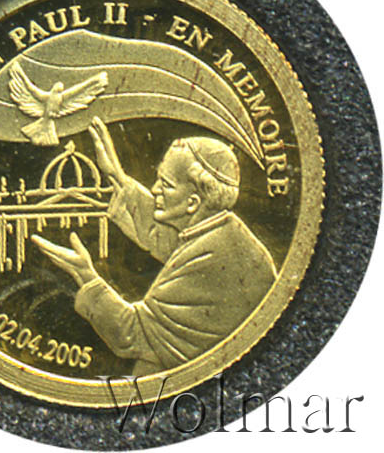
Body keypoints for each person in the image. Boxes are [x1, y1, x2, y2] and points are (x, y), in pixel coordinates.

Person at [32, 117, 277, 375]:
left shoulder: (212, 256)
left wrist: (85, 275)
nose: (155, 188)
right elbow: (168, 241)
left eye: (166, 184)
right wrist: (117, 176)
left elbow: (133, 334)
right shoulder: (222, 233)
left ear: (193, 203)